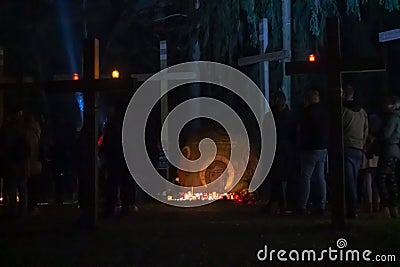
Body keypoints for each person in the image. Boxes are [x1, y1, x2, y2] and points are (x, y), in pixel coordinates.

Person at [262, 91, 296, 215]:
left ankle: (277, 202)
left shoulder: (274, 115)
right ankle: (279, 202)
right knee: (277, 178)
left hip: (281, 149)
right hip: (280, 149)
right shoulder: (287, 115)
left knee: (278, 177)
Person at [297, 89, 329, 215]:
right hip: (323, 148)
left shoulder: (307, 113)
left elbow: (303, 131)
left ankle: (302, 205)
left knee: (305, 177)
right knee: (320, 177)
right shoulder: (325, 112)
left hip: (309, 148)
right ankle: (321, 204)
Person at [102, 101, 136, 217]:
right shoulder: (127, 123)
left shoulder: (111, 124)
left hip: (115, 157)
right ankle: (124, 207)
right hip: (122, 157)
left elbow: (107, 141)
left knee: (114, 182)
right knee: (123, 183)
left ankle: (112, 207)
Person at [341, 85, 368, 218]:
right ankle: (356, 206)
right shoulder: (362, 112)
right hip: (358, 148)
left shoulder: (343, 111)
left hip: (346, 148)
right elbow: (365, 129)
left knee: (349, 181)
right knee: (355, 179)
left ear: (345, 94)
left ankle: (352, 209)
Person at [3, 107, 31, 217]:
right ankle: (22, 210)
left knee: (13, 187)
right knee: (22, 186)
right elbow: (28, 148)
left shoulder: (7, 131)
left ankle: (13, 210)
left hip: (11, 162)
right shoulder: (24, 130)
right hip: (22, 161)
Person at [376, 96, 400, 218]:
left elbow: (386, 134)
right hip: (394, 150)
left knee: (380, 177)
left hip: (388, 150)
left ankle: (385, 206)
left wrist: (378, 133)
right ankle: (393, 206)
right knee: (391, 179)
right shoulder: (397, 118)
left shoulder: (392, 118)